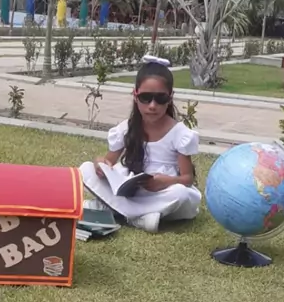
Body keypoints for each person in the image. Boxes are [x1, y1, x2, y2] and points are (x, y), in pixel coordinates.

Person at [80, 56, 201, 233]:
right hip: (132, 189)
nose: (152, 105)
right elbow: (108, 163)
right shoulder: (127, 128)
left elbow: (187, 179)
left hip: (161, 193)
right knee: (85, 169)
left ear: (170, 98)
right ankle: (140, 217)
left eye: (160, 99)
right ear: (135, 96)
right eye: (146, 98)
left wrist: (167, 181)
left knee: (181, 194)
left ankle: (114, 209)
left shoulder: (180, 133)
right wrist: (100, 164)